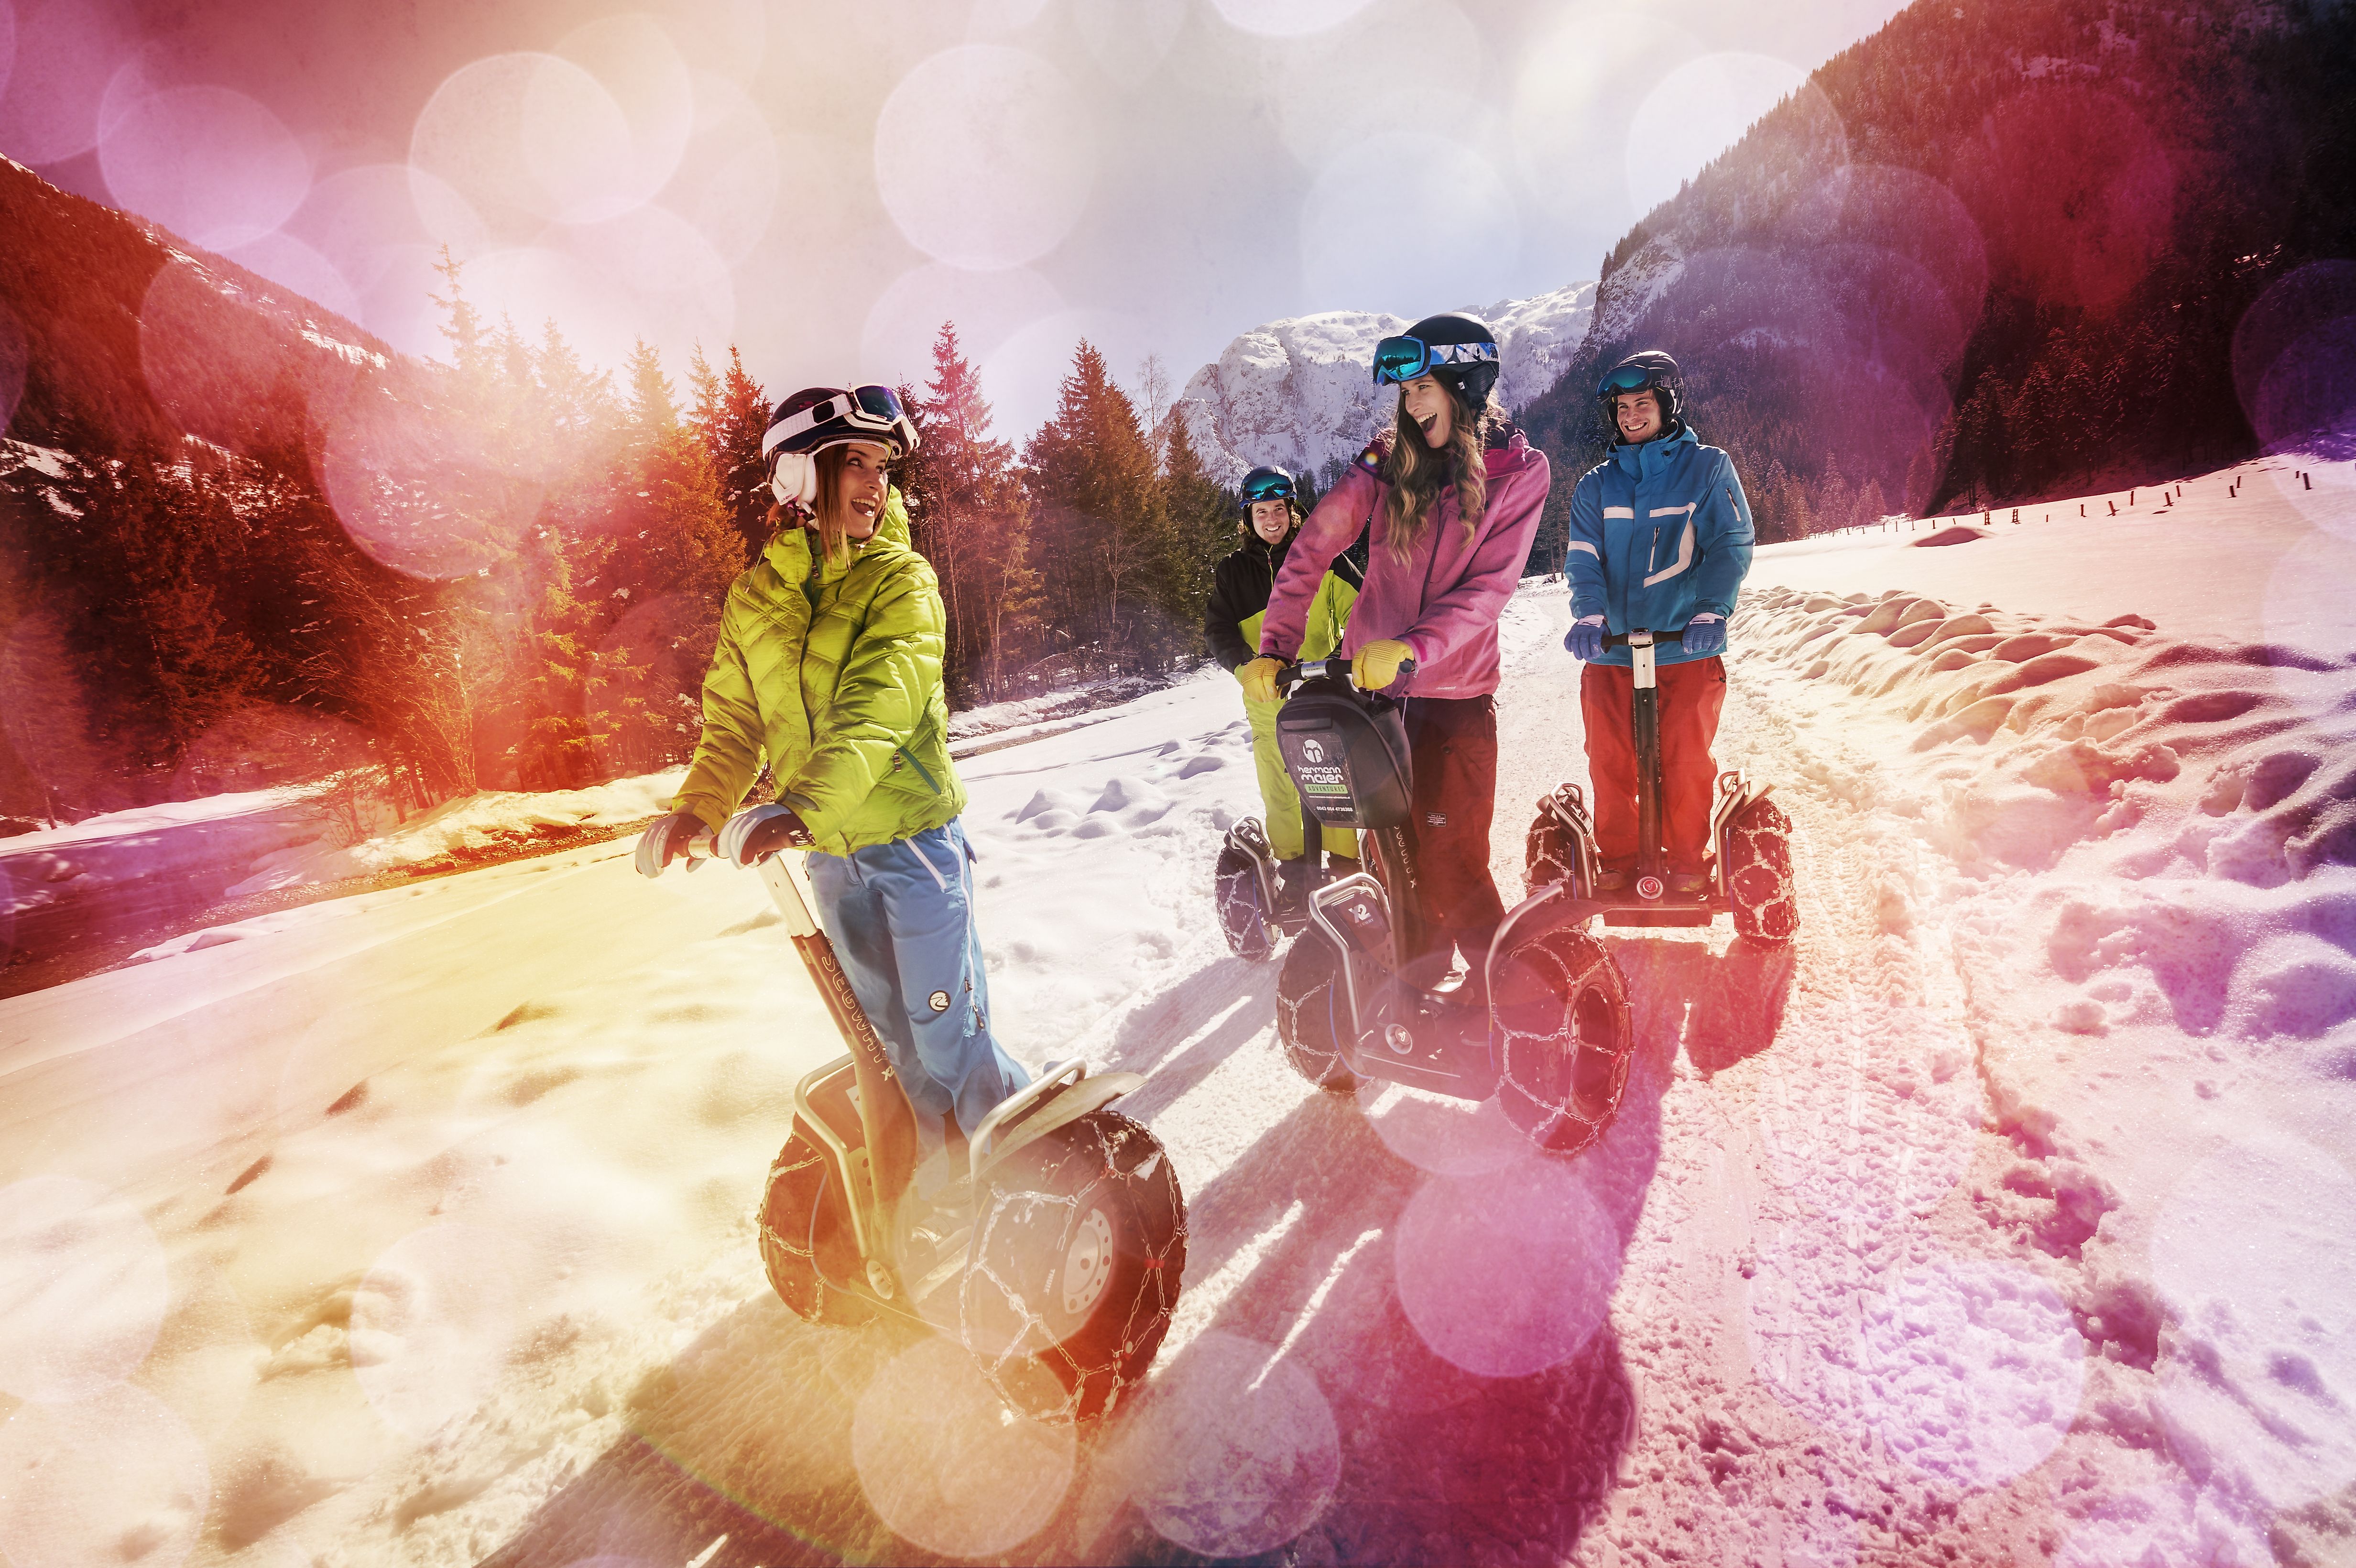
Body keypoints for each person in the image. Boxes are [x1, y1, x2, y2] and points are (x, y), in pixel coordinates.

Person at [634, 383, 1026, 1196]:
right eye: (855, 461)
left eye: (882, 465)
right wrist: (697, 811)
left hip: (913, 843)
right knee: (886, 1044)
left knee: (946, 1033)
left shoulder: (902, 581)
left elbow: (877, 710)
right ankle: (945, 1190)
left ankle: (1029, 1171)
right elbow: (734, 724)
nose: (875, 482)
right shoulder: (755, 599)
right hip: (829, 860)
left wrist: (798, 807)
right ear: (798, 477)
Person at [1240, 313, 1550, 990]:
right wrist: (1275, 647)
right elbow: (1312, 548)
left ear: (1465, 387)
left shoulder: (1519, 473)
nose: (1411, 408)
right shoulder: (1386, 463)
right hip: (1375, 702)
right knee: (1392, 860)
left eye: (1424, 390)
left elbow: (1487, 592)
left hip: (1455, 701)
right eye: (1404, 395)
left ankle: (1515, 995)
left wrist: (1412, 648)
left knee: (1450, 861)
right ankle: (1417, 983)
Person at [1561, 350, 1756, 893]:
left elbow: (1729, 544)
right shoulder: (1595, 487)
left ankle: (1689, 863)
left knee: (1685, 759)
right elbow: (1582, 557)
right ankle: (1621, 863)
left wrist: (1711, 609)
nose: (1629, 416)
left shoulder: (1707, 468)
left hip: (1684, 646)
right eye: (1621, 407)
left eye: (1641, 403)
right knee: (1610, 760)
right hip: (1611, 651)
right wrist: (1590, 614)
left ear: (1667, 404)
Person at [1203, 464, 1365, 911]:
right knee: (1280, 789)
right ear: (1248, 517)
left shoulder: (1323, 557)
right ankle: (1296, 876)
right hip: (1268, 700)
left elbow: (1361, 608)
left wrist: (1344, 655)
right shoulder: (1234, 573)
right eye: (1261, 511)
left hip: (1324, 689)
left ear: (1293, 512)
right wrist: (1246, 668)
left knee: (1332, 780)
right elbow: (1218, 631)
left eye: (1279, 509)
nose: (1271, 519)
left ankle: (1347, 868)